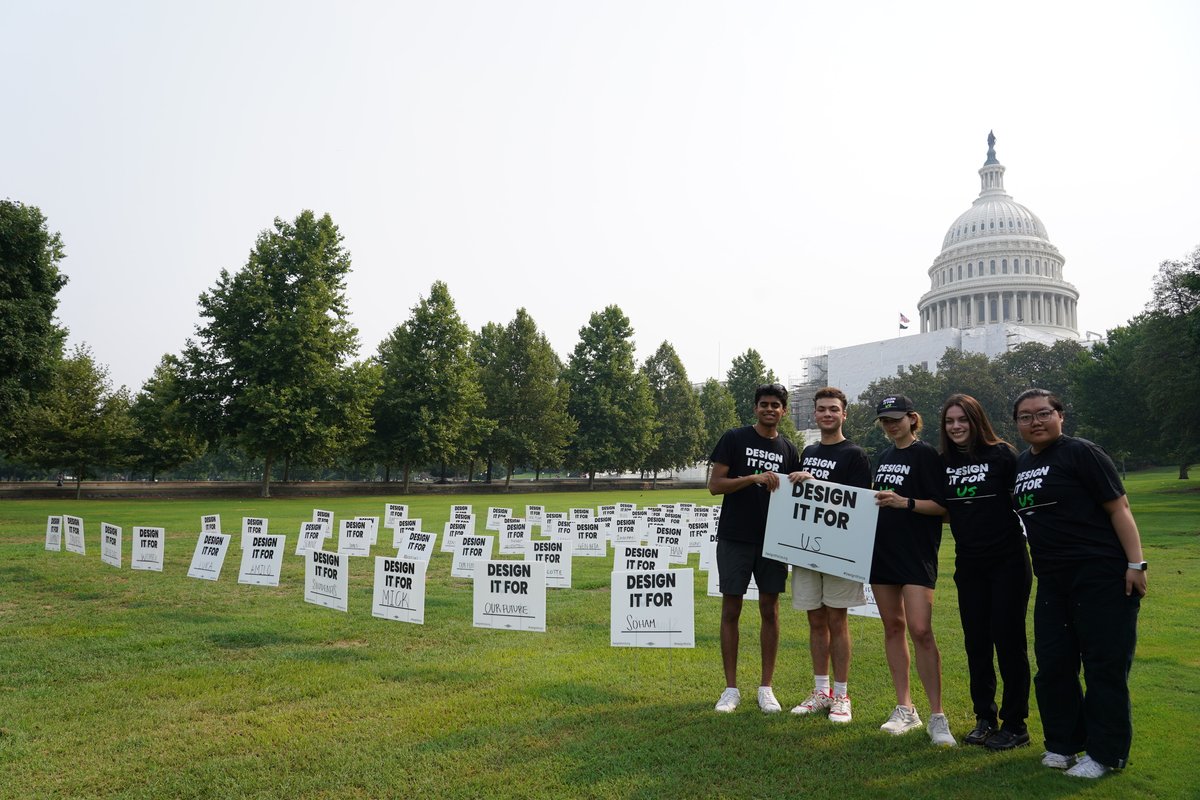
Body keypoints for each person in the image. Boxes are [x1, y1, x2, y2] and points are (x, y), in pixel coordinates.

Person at [1012, 388, 1146, 779]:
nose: (1035, 422)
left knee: (1103, 666)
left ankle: (1106, 755)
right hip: (1052, 579)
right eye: (1025, 416)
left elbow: (1118, 507)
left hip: (1100, 575)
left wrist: (1136, 563)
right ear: (1017, 423)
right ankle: (1063, 744)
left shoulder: (1082, 452)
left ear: (1060, 415)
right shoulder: (1021, 464)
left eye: (1042, 413)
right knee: (1054, 664)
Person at [939, 394, 1031, 749]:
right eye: (950, 421)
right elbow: (942, 507)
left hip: (1008, 561)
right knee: (976, 644)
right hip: (970, 564)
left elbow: (1023, 502)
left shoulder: (1003, 454)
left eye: (963, 419)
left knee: (1009, 642)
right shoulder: (943, 462)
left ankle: (1015, 724)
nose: (957, 426)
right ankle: (984, 717)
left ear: (977, 420)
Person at [708, 382, 802, 714]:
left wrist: (804, 479)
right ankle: (730, 688)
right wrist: (753, 478)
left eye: (776, 405)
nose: (769, 409)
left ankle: (766, 687)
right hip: (735, 535)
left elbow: (794, 495)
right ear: (755, 408)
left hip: (773, 540)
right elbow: (714, 485)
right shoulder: (733, 439)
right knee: (731, 609)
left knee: (770, 610)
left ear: (784, 411)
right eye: (764, 404)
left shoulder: (789, 449)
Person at [870, 394, 956, 746]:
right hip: (881, 555)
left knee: (921, 630)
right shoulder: (884, 457)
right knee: (893, 627)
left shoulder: (926, 456)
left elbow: (944, 507)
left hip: (916, 555)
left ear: (912, 418)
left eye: (896, 419)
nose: (891, 425)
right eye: (885, 421)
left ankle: (938, 716)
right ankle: (905, 708)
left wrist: (904, 502)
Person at [787, 387, 872, 723]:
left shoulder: (855, 454)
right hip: (807, 547)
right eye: (821, 409)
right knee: (815, 619)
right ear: (815, 414)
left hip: (839, 551)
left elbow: (859, 502)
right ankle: (820, 691)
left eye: (833, 409)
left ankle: (841, 694)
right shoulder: (807, 451)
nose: (826, 414)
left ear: (843, 414)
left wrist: (817, 483)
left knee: (837, 620)